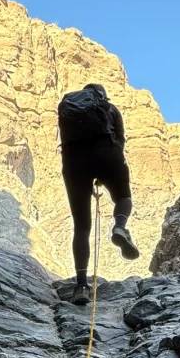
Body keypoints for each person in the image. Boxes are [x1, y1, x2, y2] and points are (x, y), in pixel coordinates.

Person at [57, 82, 139, 304]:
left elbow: (66, 142)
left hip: (74, 163)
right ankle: (120, 227)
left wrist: (86, 174)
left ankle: (81, 286)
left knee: (81, 226)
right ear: (102, 96)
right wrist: (106, 173)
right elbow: (119, 141)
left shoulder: (69, 111)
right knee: (123, 197)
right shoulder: (110, 109)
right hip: (107, 154)